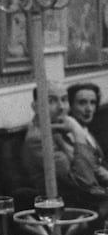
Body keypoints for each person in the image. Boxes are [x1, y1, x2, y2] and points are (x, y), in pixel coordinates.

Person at [21, 82, 108, 226]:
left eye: (64, 99)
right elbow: (83, 182)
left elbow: (91, 164)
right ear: (35, 107)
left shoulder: (56, 127)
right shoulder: (38, 139)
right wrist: (78, 132)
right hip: (69, 209)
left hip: (87, 199)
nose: (61, 107)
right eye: (51, 101)